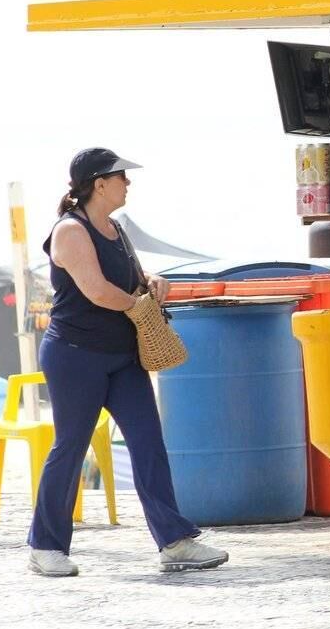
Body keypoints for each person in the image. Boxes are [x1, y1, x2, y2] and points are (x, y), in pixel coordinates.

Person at [27, 148, 229, 577]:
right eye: (122, 177)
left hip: (121, 357)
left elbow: (130, 279)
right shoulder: (70, 230)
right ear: (99, 184)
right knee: (71, 447)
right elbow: (97, 291)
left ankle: (174, 541)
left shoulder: (115, 228)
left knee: (148, 443)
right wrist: (140, 308)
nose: (128, 183)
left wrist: (151, 282)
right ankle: (45, 546)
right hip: (75, 357)